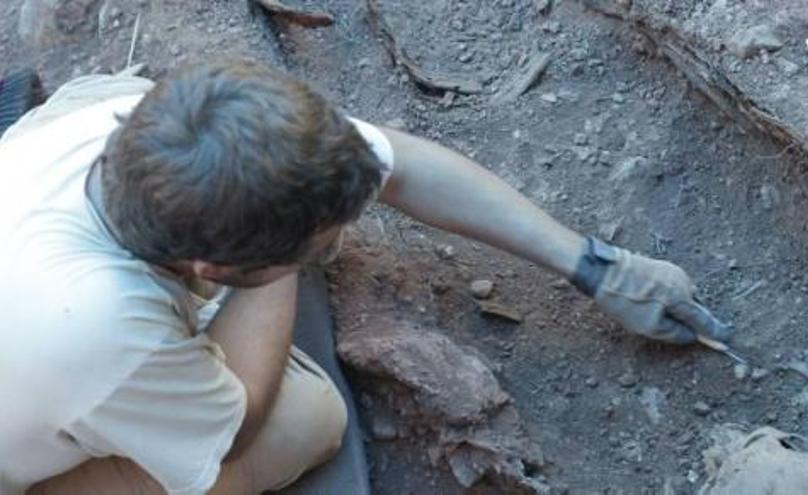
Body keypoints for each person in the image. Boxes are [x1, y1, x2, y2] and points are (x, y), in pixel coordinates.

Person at [0, 60, 729, 495]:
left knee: (104, 87)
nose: (343, 238)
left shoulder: (129, 130)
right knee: (306, 420)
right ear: (216, 269)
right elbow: (238, 425)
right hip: (36, 408)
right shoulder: (101, 328)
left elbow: (399, 165)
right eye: (319, 244)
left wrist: (594, 264)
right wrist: (271, 275)